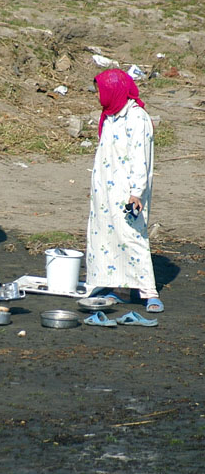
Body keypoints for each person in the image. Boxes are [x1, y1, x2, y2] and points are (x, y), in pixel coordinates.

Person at [85, 68, 164, 313]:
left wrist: (136, 192)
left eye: (100, 91)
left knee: (132, 236)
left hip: (128, 191)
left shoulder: (136, 118)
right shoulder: (110, 115)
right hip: (105, 190)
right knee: (107, 236)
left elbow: (140, 157)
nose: (98, 95)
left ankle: (148, 291)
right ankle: (118, 287)